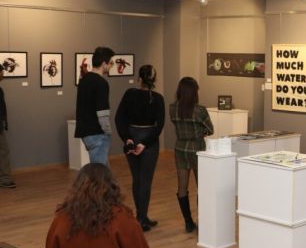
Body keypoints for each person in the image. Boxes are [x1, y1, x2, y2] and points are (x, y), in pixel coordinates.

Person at [115, 65, 165, 232]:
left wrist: (127, 139)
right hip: (149, 141)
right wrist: (145, 143)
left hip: (132, 137)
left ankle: (141, 216)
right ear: (154, 80)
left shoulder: (129, 94)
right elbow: (159, 126)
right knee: (145, 180)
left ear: (140, 79)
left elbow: (119, 118)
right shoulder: (158, 98)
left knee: (137, 179)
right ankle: (142, 218)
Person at [169, 77, 214, 232]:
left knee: (182, 186)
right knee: (202, 187)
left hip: (180, 148)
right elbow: (210, 129)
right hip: (197, 148)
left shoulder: (173, 108)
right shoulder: (200, 110)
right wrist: (199, 132)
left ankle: (188, 223)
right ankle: (203, 222)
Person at [75, 46, 115, 166]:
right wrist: (108, 131)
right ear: (104, 64)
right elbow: (102, 111)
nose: (111, 66)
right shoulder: (101, 83)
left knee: (100, 169)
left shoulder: (84, 80)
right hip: (97, 132)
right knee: (100, 171)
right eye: (111, 63)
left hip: (85, 132)